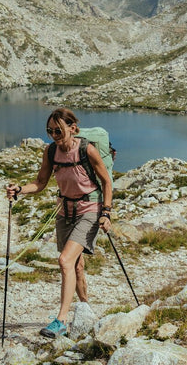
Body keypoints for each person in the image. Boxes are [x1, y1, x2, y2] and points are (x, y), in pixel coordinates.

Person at [6, 107, 114, 338]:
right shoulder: (51, 151)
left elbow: (106, 182)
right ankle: (85, 308)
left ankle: (61, 320)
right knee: (75, 265)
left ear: (73, 129)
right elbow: (41, 182)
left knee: (65, 260)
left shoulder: (88, 149)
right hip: (65, 212)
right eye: (49, 131)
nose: (54, 135)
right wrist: (20, 190)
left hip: (89, 210)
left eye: (58, 130)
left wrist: (106, 212)